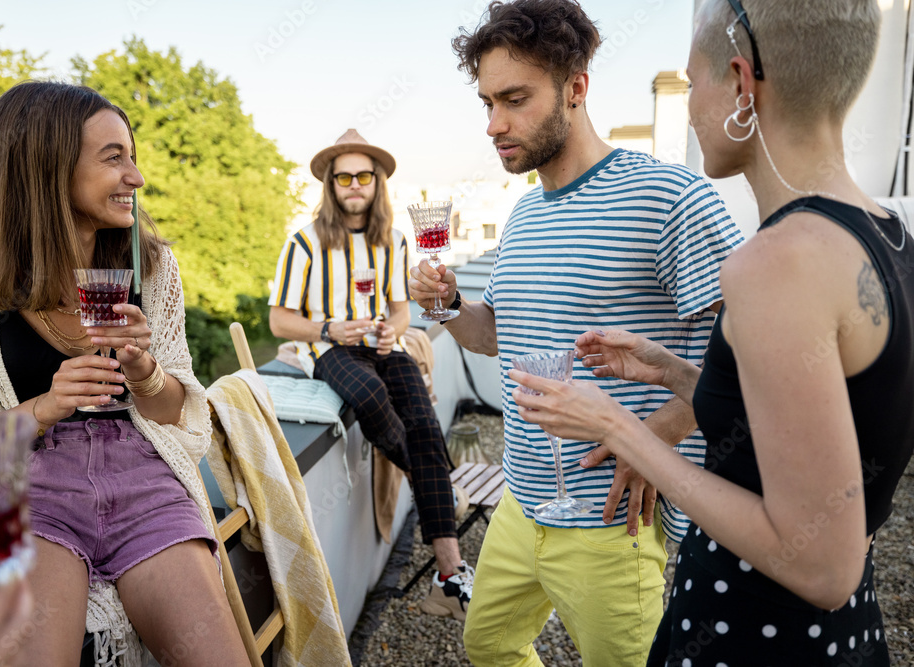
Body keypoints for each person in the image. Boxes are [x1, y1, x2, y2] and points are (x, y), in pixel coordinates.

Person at [510, 0, 910, 665]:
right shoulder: (885, 234)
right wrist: (675, 371)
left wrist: (619, 428)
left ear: (741, 82)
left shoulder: (778, 261)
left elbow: (820, 564)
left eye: (694, 82)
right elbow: (815, 426)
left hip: (755, 639)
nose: (693, 107)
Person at [409, 1, 744, 664]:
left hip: (611, 519)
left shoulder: (672, 197)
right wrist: (449, 305)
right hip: (520, 499)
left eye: (514, 99)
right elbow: (497, 337)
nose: (494, 124)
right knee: (489, 641)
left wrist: (658, 435)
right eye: (486, 103)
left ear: (577, 88)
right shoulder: (524, 214)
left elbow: (745, 357)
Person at [0, 81, 250, 665]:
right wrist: (44, 407)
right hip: (31, 490)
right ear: (46, 169)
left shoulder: (151, 265)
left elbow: (173, 412)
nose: (137, 177)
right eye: (113, 158)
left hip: (143, 478)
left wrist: (145, 370)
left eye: (133, 156)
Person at [269, 129, 474, 621]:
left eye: (364, 175)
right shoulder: (304, 242)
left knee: (424, 422)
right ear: (332, 185)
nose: (355, 184)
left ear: (377, 182)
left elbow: (402, 312)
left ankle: (450, 576)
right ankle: (443, 486)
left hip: (384, 346)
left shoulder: (395, 242)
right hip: (330, 348)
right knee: (369, 394)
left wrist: (391, 332)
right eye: (345, 177)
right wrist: (329, 327)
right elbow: (279, 319)